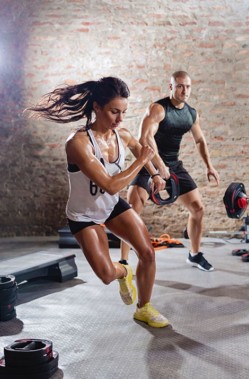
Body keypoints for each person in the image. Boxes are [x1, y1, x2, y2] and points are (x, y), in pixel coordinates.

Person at [27, 77, 170, 327]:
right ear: (97, 107)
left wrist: (156, 173)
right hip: (84, 216)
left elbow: (139, 149)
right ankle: (125, 272)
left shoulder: (121, 135)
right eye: (114, 111)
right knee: (106, 275)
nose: (120, 119)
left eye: (124, 112)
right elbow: (110, 184)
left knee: (147, 252)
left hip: (112, 206)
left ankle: (144, 308)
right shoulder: (78, 143)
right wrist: (142, 164)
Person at [119, 71, 220, 272]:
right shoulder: (158, 109)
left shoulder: (191, 113)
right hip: (148, 162)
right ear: (171, 87)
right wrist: (158, 165)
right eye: (180, 86)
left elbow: (200, 140)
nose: (184, 90)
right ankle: (124, 261)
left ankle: (195, 254)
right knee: (132, 208)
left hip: (173, 164)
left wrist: (209, 166)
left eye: (188, 86)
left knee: (198, 208)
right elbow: (144, 139)